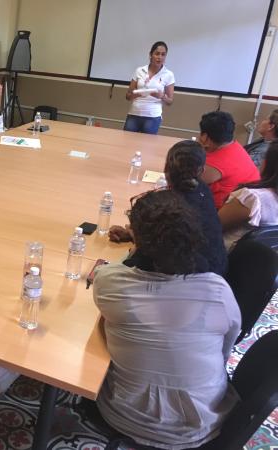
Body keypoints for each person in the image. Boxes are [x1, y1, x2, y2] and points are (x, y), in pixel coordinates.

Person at [93, 190, 240, 449]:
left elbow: (114, 278)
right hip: (201, 421)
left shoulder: (110, 282)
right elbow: (225, 348)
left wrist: (133, 250)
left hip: (127, 416)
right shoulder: (218, 290)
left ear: (138, 239)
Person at [109, 140, 227, 275]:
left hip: (191, 276)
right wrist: (134, 234)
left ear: (165, 169)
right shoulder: (203, 190)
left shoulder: (171, 208)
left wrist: (136, 235)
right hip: (216, 269)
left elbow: (160, 252)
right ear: (201, 171)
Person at [220, 140, 278, 249]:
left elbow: (213, 226)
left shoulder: (254, 198)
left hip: (224, 254)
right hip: (259, 258)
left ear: (269, 164)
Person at [199, 111, 259, 209]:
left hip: (219, 212)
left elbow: (184, 181)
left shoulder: (215, 164)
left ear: (205, 137)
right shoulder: (235, 146)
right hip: (247, 208)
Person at [124, 41, 175, 135]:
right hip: (134, 114)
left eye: (163, 54)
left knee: (147, 144)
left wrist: (162, 96)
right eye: (157, 54)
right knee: (126, 141)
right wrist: (137, 94)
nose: (160, 57)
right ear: (151, 55)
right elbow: (128, 96)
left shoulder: (168, 74)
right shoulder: (139, 70)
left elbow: (170, 101)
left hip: (153, 117)